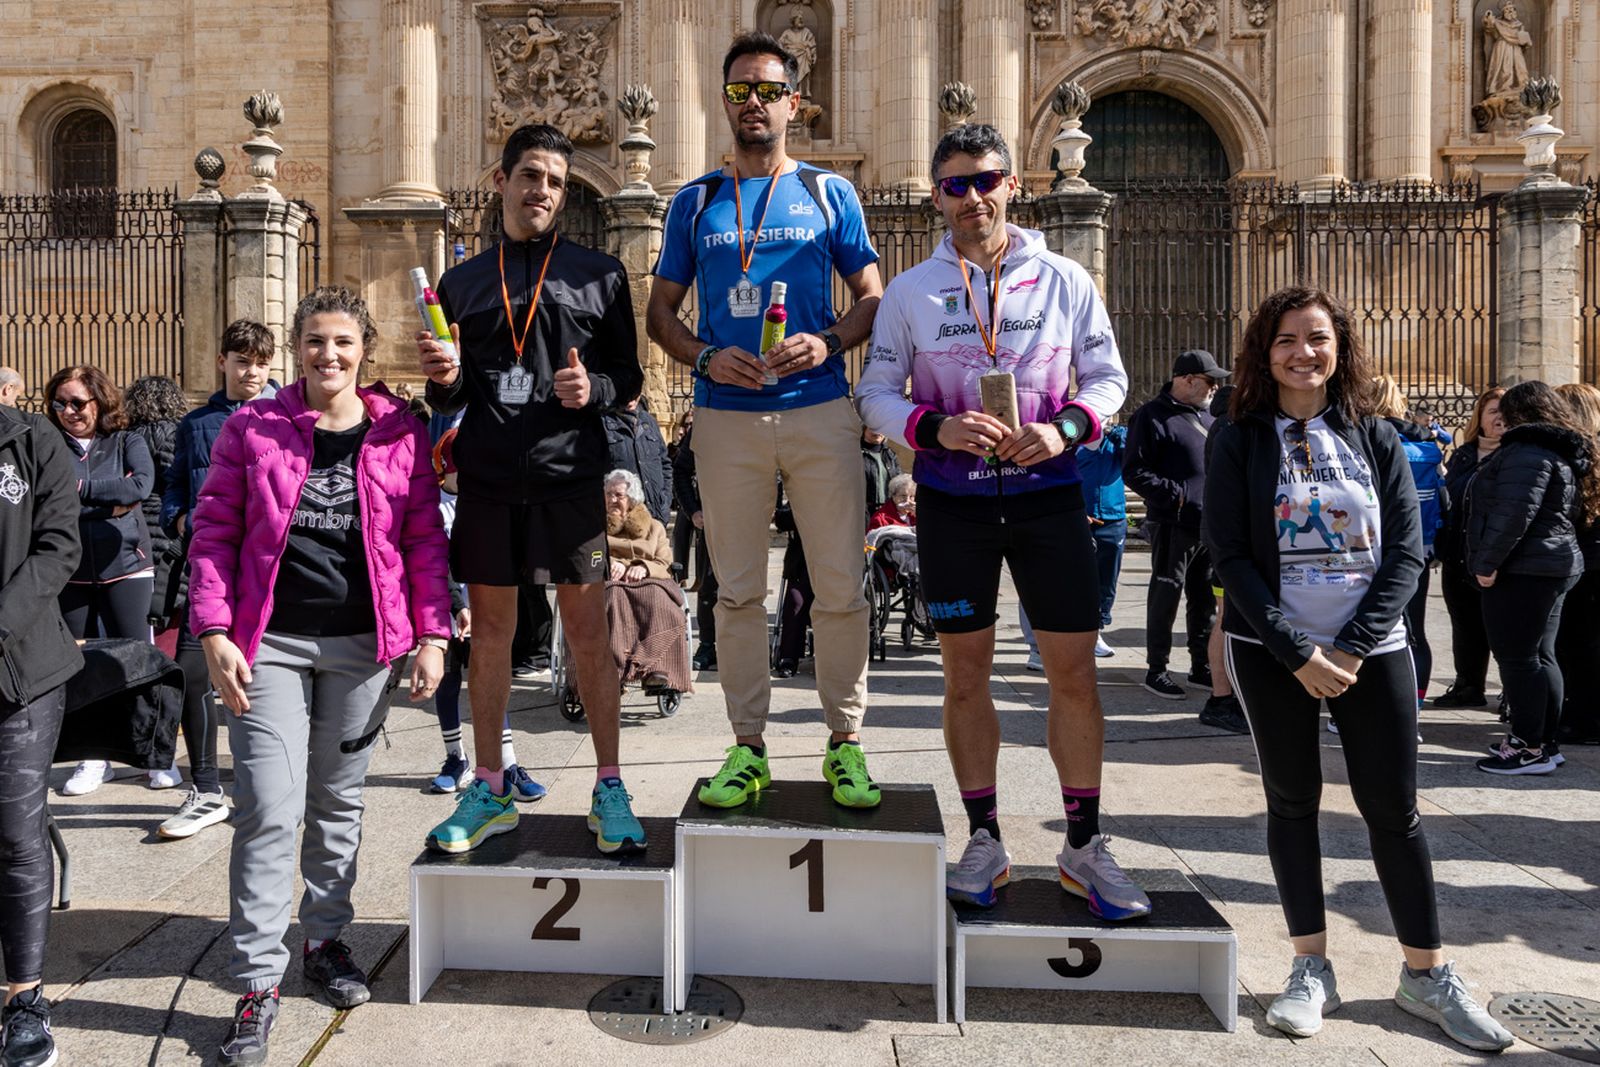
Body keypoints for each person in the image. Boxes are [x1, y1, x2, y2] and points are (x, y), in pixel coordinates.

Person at [1205, 285, 1510, 1051]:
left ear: (1339, 347)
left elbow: (1408, 550)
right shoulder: (1236, 438)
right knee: (1292, 800)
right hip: (1270, 649)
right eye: (1285, 339)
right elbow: (1230, 555)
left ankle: (1425, 974)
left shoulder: (1375, 434)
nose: (1302, 353)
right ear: (1261, 351)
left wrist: (1347, 647)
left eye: (1317, 338)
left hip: (1370, 648)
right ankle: (1312, 967)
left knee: (1393, 809)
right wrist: (1296, 650)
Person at [857, 123, 1148, 920]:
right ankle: (984, 837)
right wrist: (930, 427)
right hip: (953, 503)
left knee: (1075, 676)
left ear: (1012, 185)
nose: (970, 197)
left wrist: (1066, 430)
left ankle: (1083, 844)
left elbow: (1108, 377)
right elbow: (875, 391)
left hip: (1050, 494)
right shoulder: (913, 292)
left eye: (984, 180)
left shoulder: (1063, 278)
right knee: (964, 678)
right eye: (953, 184)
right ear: (934, 195)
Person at [188, 287, 450, 1066]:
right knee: (268, 806)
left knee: (337, 802)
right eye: (313, 341)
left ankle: (326, 937)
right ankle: (257, 982)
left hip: (364, 646)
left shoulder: (399, 431)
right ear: (295, 347)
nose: (327, 355)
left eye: (341, 341)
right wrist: (210, 628)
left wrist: (433, 632)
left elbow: (424, 541)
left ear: (364, 348)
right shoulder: (253, 425)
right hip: (267, 642)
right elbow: (214, 531)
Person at [646, 32, 885, 810]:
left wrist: (833, 337)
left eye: (768, 90)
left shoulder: (827, 193)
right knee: (736, 592)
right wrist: (704, 356)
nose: (755, 103)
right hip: (725, 418)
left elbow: (874, 297)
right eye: (741, 90)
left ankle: (844, 744)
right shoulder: (695, 201)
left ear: (794, 102)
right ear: (726, 101)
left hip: (817, 409)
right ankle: (747, 747)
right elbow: (660, 313)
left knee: (841, 588)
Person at [419, 122, 648, 855]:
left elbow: (631, 379)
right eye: (529, 177)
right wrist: (446, 378)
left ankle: (609, 782)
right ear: (502, 181)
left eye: (553, 180)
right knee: (488, 639)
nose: (541, 191)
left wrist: (596, 387)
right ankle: (489, 785)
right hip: (486, 483)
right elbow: (446, 402)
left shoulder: (600, 275)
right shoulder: (462, 283)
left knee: (587, 636)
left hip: (568, 483)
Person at [156, 321, 278, 838]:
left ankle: (270, 786)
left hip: (270, 572)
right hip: (208, 569)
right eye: (242, 360)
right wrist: (182, 519)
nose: (251, 372)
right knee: (193, 673)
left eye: (261, 362)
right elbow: (173, 490)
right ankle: (206, 788)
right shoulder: (196, 424)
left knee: (270, 679)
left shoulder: (286, 418)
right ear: (223, 362)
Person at [0, 399, 84, 1067]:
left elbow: (59, 546)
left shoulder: (31, 439)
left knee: (14, 830)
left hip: (21, 672)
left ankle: (25, 997)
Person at [1467, 380, 1598, 775]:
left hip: (1525, 569)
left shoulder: (1527, 452)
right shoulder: (1558, 450)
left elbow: (1513, 516)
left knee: (1519, 658)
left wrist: (1486, 564)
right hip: (1550, 566)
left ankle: (1528, 747)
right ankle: (1543, 741)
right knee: (1541, 656)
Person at [46, 364, 156, 798]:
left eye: (77, 402)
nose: (68, 411)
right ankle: (96, 758)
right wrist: (103, 498)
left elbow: (138, 489)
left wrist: (75, 491)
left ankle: (153, 751)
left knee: (138, 661)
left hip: (127, 565)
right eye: (59, 403)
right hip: (70, 571)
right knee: (81, 665)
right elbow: (44, 500)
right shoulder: (48, 444)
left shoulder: (127, 440)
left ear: (99, 400)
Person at [426, 423, 546, 800]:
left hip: (486, 610)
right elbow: (436, 563)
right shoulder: (433, 509)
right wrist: (459, 607)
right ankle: (454, 758)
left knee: (493, 679)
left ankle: (507, 761)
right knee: (448, 682)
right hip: (446, 611)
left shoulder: (487, 504)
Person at [1124, 350, 1227, 700]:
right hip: (1173, 522)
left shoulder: (1210, 416)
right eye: (1209, 382)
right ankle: (1157, 668)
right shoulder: (1151, 417)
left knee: (1203, 600)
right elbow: (1134, 470)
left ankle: (1201, 665)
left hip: (1207, 523)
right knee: (1166, 594)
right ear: (1186, 380)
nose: (1215, 388)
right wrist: (1176, 495)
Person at [1370, 376, 1449, 710]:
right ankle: (1411, 705)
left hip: (1373, 547)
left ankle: (1371, 703)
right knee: (1414, 628)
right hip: (1418, 545)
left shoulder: (1366, 439)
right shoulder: (1427, 447)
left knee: (1373, 626)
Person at [1432, 386, 1504, 708]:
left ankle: (1512, 693)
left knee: (1501, 628)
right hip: (1458, 552)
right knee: (1463, 622)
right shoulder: (1464, 454)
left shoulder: (1516, 455)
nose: (1500, 418)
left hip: (1495, 556)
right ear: (1480, 418)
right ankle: (1467, 685)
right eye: (1493, 411)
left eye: (1505, 412)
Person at [602, 469, 693, 694]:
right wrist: (614, 563)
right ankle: (614, 671)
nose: (612, 500)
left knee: (658, 600)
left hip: (651, 580)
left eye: (618, 495)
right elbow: (588, 555)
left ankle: (656, 669)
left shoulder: (654, 527)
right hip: (610, 580)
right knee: (614, 597)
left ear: (632, 498)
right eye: (608, 494)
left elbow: (665, 561)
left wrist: (643, 567)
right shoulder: (595, 527)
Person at [1554, 383, 1600, 745]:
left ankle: (1582, 719)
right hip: (1588, 556)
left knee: (1577, 643)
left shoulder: (1573, 453)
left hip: (1582, 559)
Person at [673, 419, 719, 671]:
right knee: (709, 588)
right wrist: (692, 510)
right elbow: (680, 470)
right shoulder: (703, 426)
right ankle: (708, 645)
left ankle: (743, 648)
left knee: (746, 589)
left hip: (747, 519)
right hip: (712, 523)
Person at [603, 395, 673, 525]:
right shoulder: (604, 422)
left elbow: (665, 465)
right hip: (621, 517)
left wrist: (665, 500)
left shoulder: (649, 421)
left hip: (655, 514)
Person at [861, 426, 903, 515]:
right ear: (864, 430)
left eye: (881, 430)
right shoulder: (856, 454)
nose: (877, 432)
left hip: (887, 510)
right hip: (864, 510)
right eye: (873, 428)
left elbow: (899, 482)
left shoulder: (890, 455)